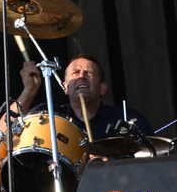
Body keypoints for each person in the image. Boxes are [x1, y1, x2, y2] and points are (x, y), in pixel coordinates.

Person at [9, 54, 152, 140]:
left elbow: (157, 160)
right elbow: (4, 134)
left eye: (89, 73)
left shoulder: (128, 118)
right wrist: (29, 91)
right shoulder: (48, 115)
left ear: (102, 88)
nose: (82, 76)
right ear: (65, 87)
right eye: (75, 73)